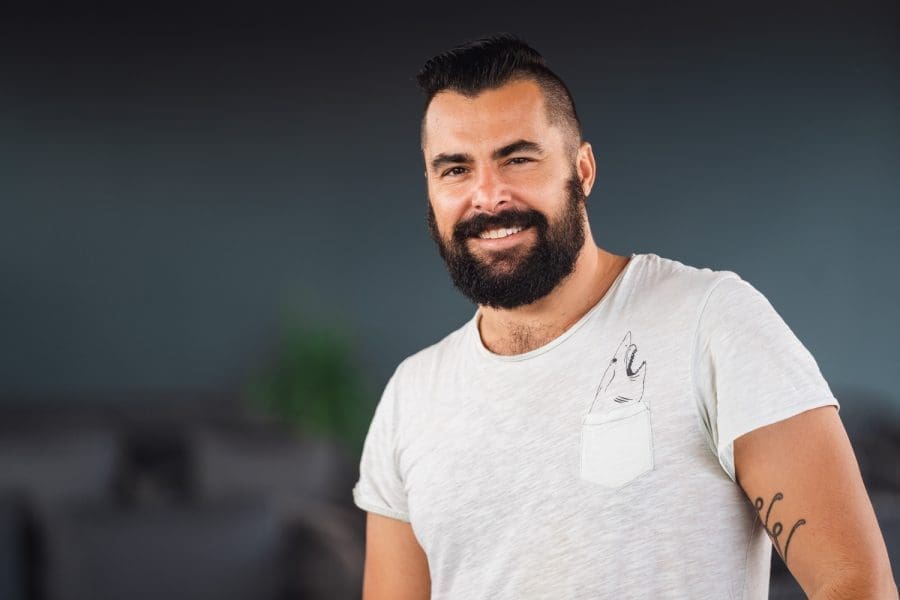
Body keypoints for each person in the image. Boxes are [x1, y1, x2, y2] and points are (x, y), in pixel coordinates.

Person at [351, 34, 896, 599]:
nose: (488, 196)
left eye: (518, 159)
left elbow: (857, 584)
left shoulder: (711, 323)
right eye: (455, 170)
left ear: (583, 170)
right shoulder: (411, 396)